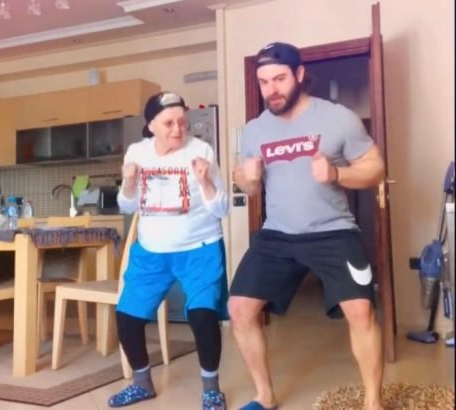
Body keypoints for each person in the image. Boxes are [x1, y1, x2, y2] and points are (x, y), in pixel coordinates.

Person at [228, 42, 385, 410]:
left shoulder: (338, 118)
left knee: (361, 310)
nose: (271, 89)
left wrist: (336, 174)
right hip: (278, 233)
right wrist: (246, 178)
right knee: (239, 308)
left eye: (279, 79)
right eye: (264, 82)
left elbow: (375, 169)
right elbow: (247, 183)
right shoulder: (254, 130)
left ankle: (373, 402)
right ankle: (264, 395)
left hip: (334, 231)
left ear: (299, 74)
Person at [109, 91, 229, 409]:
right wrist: (129, 182)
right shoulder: (137, 152)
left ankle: (211, 389)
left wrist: (206, 182)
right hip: (151, 251)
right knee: (127, 317)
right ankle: (142, 384)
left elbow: (222, 209)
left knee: (203, 316)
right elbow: (127, 206)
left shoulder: (201, 150)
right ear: (151, 125)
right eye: (169, 123)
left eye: (183, 122)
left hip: (200, 248)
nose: (178, 130)